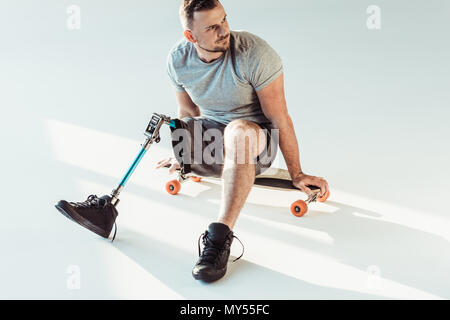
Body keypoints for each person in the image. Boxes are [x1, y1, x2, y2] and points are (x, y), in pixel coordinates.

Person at [55, 0, 329, 284]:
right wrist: (184, 152)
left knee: (238, 131)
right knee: (165, 122)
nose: (224, 30)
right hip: (213, 139)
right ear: (191, 36)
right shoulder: (178, 60)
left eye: (224, 20)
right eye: (212, 27)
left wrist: (297, 173)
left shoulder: (254, 53)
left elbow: (280, 117)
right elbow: (188, 114)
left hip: (255, 141)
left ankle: (220, 237)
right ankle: (105, 207)